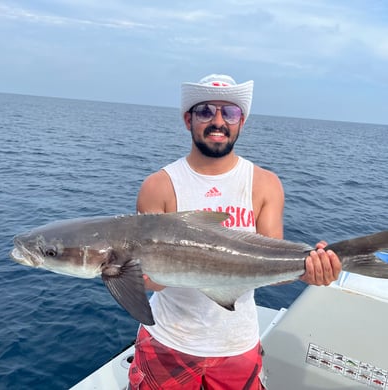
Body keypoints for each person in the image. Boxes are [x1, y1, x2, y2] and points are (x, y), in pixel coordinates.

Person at [128, 74, 342, 389]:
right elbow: (151, 283)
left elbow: (275, 264)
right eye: (205, 112)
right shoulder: (158, 186)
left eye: (229, 113)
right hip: (168, 340)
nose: (218, 122)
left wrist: (308, 271)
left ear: (242, 122)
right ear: (188, 120)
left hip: (237, 344)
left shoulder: (264, 183)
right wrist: (132, 273)